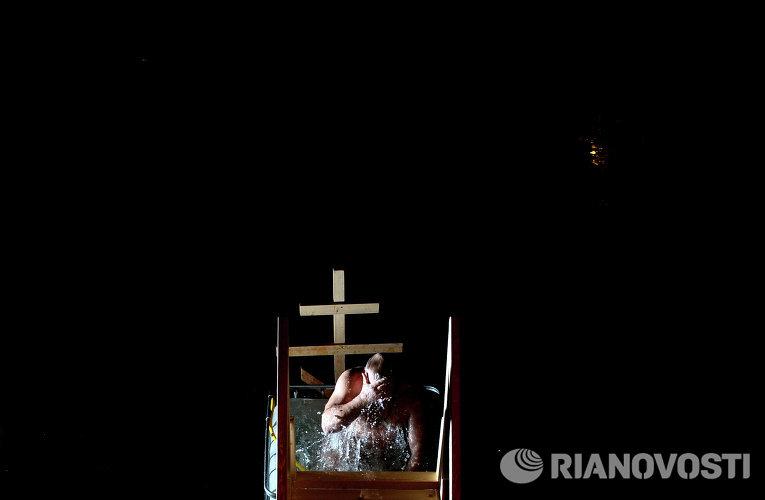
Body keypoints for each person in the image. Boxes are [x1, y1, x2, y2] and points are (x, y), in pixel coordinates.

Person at [320, 353, 425, 471]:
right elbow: (327, 426)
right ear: (365, 375)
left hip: (386, 457)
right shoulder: (351, 380)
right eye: (376, 389)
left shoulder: (408, 396)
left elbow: (417, 457)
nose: (380, 399)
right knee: (332, 457)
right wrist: (363, 399)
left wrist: (401, 482)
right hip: (349, 452)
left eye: (385, 393)